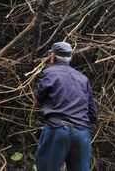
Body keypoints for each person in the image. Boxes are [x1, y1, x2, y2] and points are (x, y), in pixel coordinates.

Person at [34, 42, 97, 171]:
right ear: (70, 58)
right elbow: (93, 114)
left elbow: (39, 98)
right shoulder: (83, 79)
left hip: (58, 130)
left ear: (52, 56)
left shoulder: (49, 73)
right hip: (81, 133)